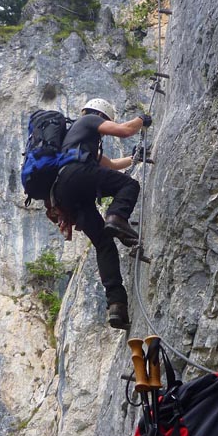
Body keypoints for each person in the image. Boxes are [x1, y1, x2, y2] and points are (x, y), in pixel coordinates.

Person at [52, 98, 152, 330]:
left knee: (104, 244)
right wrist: (142, 120)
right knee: (129, 185)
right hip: (78, 175)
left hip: (64, 192)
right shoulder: (89, 120)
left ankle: (116, 305)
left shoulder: (75, 141)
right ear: (101, 116)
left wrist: (135, 158)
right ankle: (116, 217)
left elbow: (112, 165)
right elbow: (125, 131)